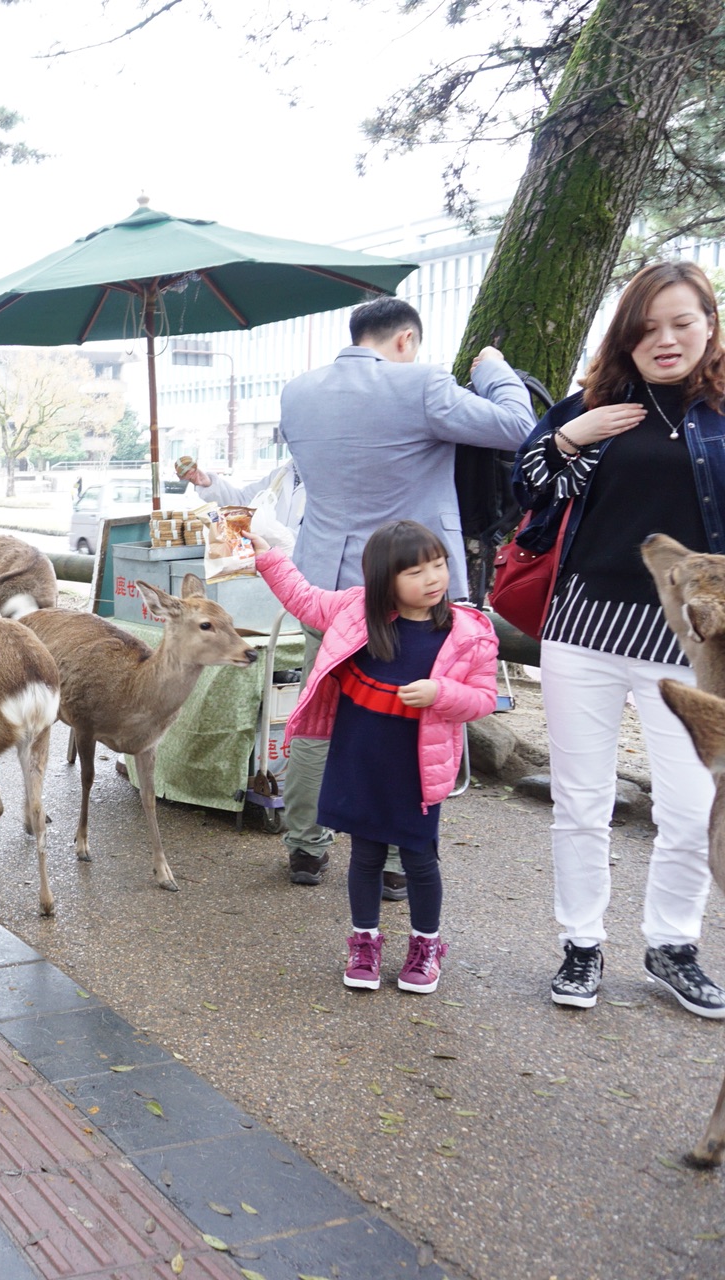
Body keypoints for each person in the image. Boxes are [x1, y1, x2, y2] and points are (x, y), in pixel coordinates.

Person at [512, 260, 725, 1017]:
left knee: (694, 803)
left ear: (709, 322)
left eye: (681, 323)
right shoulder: (600, 405)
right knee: (581, 799)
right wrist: (571, 435)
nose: (665, 341)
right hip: (584, 632)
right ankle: (581, 944)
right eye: (647, 328)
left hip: (689, 646)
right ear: (626, 337)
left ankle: (672, 944)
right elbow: (526, 485)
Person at [276, 297, 535, 890]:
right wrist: (493, 367)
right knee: (406, 720)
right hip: (410, 589)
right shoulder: (420, 384)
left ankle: (306, 847)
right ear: (404, 341)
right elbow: (519, 428)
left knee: (322, 710)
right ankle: (395, 863)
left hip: (324, 577)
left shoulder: (298, 392)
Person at [251, 522, 498, 994]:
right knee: (363, 853)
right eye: (415, 570)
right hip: (360, 755)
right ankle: (364, 942)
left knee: (419, 858)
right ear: (384, 578)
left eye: (439, 565)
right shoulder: (354, 611)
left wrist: (442, 692)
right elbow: (304, 599)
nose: (432, 578)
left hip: (417, 767)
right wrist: (268, 558)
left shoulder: (467, 633)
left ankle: (426, 946)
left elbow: (484, 699)